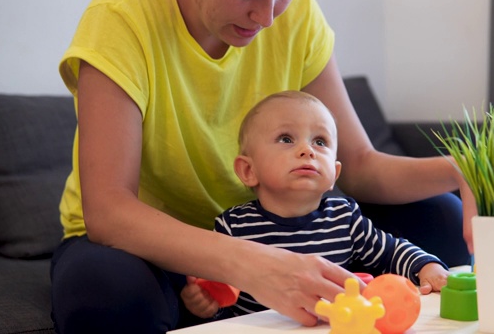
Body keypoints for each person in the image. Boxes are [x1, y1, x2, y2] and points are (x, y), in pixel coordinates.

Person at [50, 0, 476, 333]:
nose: (268, 18)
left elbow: (359, 166)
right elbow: (108, 211)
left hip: (280, 224)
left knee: (441, 216)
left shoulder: (298, 13)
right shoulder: (124, 13)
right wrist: (254, 265)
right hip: (155, 245)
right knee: (106, 294)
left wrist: (460, 170)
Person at [182, 91, 450, 318]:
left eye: (319, 141)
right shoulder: (233, 227)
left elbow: (391, 252)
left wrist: (427, 267)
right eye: (286, 139)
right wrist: (206, 303)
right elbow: (220, 298)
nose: (307, 150)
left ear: (334, 173)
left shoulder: (345, 218)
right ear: (248, 171)